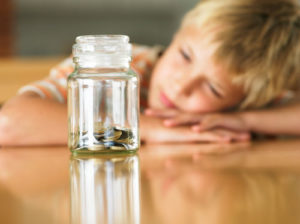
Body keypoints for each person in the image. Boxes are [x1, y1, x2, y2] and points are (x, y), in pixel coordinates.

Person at [1, 0, 300, 146]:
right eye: (185, 56)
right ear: (176, 36)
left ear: (243, 100)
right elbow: (9, 123)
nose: (182, 85)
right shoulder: (122, 67)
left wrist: (242, 120)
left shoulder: (238, 111)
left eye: (213, 89)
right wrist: (152, 130)